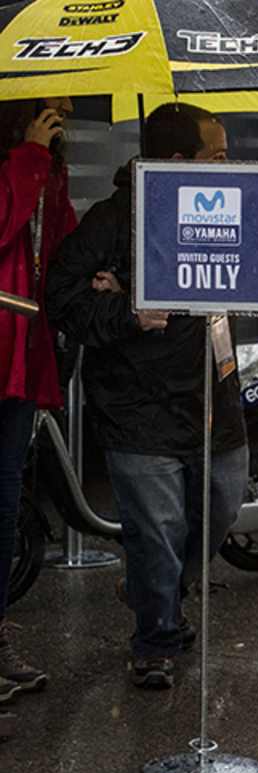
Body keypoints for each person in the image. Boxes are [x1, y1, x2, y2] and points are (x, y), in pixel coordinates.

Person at [45, 104, 258, 689]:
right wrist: (128, 311)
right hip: (136, 409)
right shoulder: (112, 222)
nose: (228, 163)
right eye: (217, 155)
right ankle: (156, 639)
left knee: (218, 510)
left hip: (216, 403)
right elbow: (62, 297)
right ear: (175, 162)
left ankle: (157, 587)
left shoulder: (235, 209)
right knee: (156, 530)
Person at [0, 97, 76, 730]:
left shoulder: (43, 169)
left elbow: (58, 248)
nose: (68, 112)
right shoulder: (18, 164)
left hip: (21, 362)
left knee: (5, 506)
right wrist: (28, 158)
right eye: (53, 103)